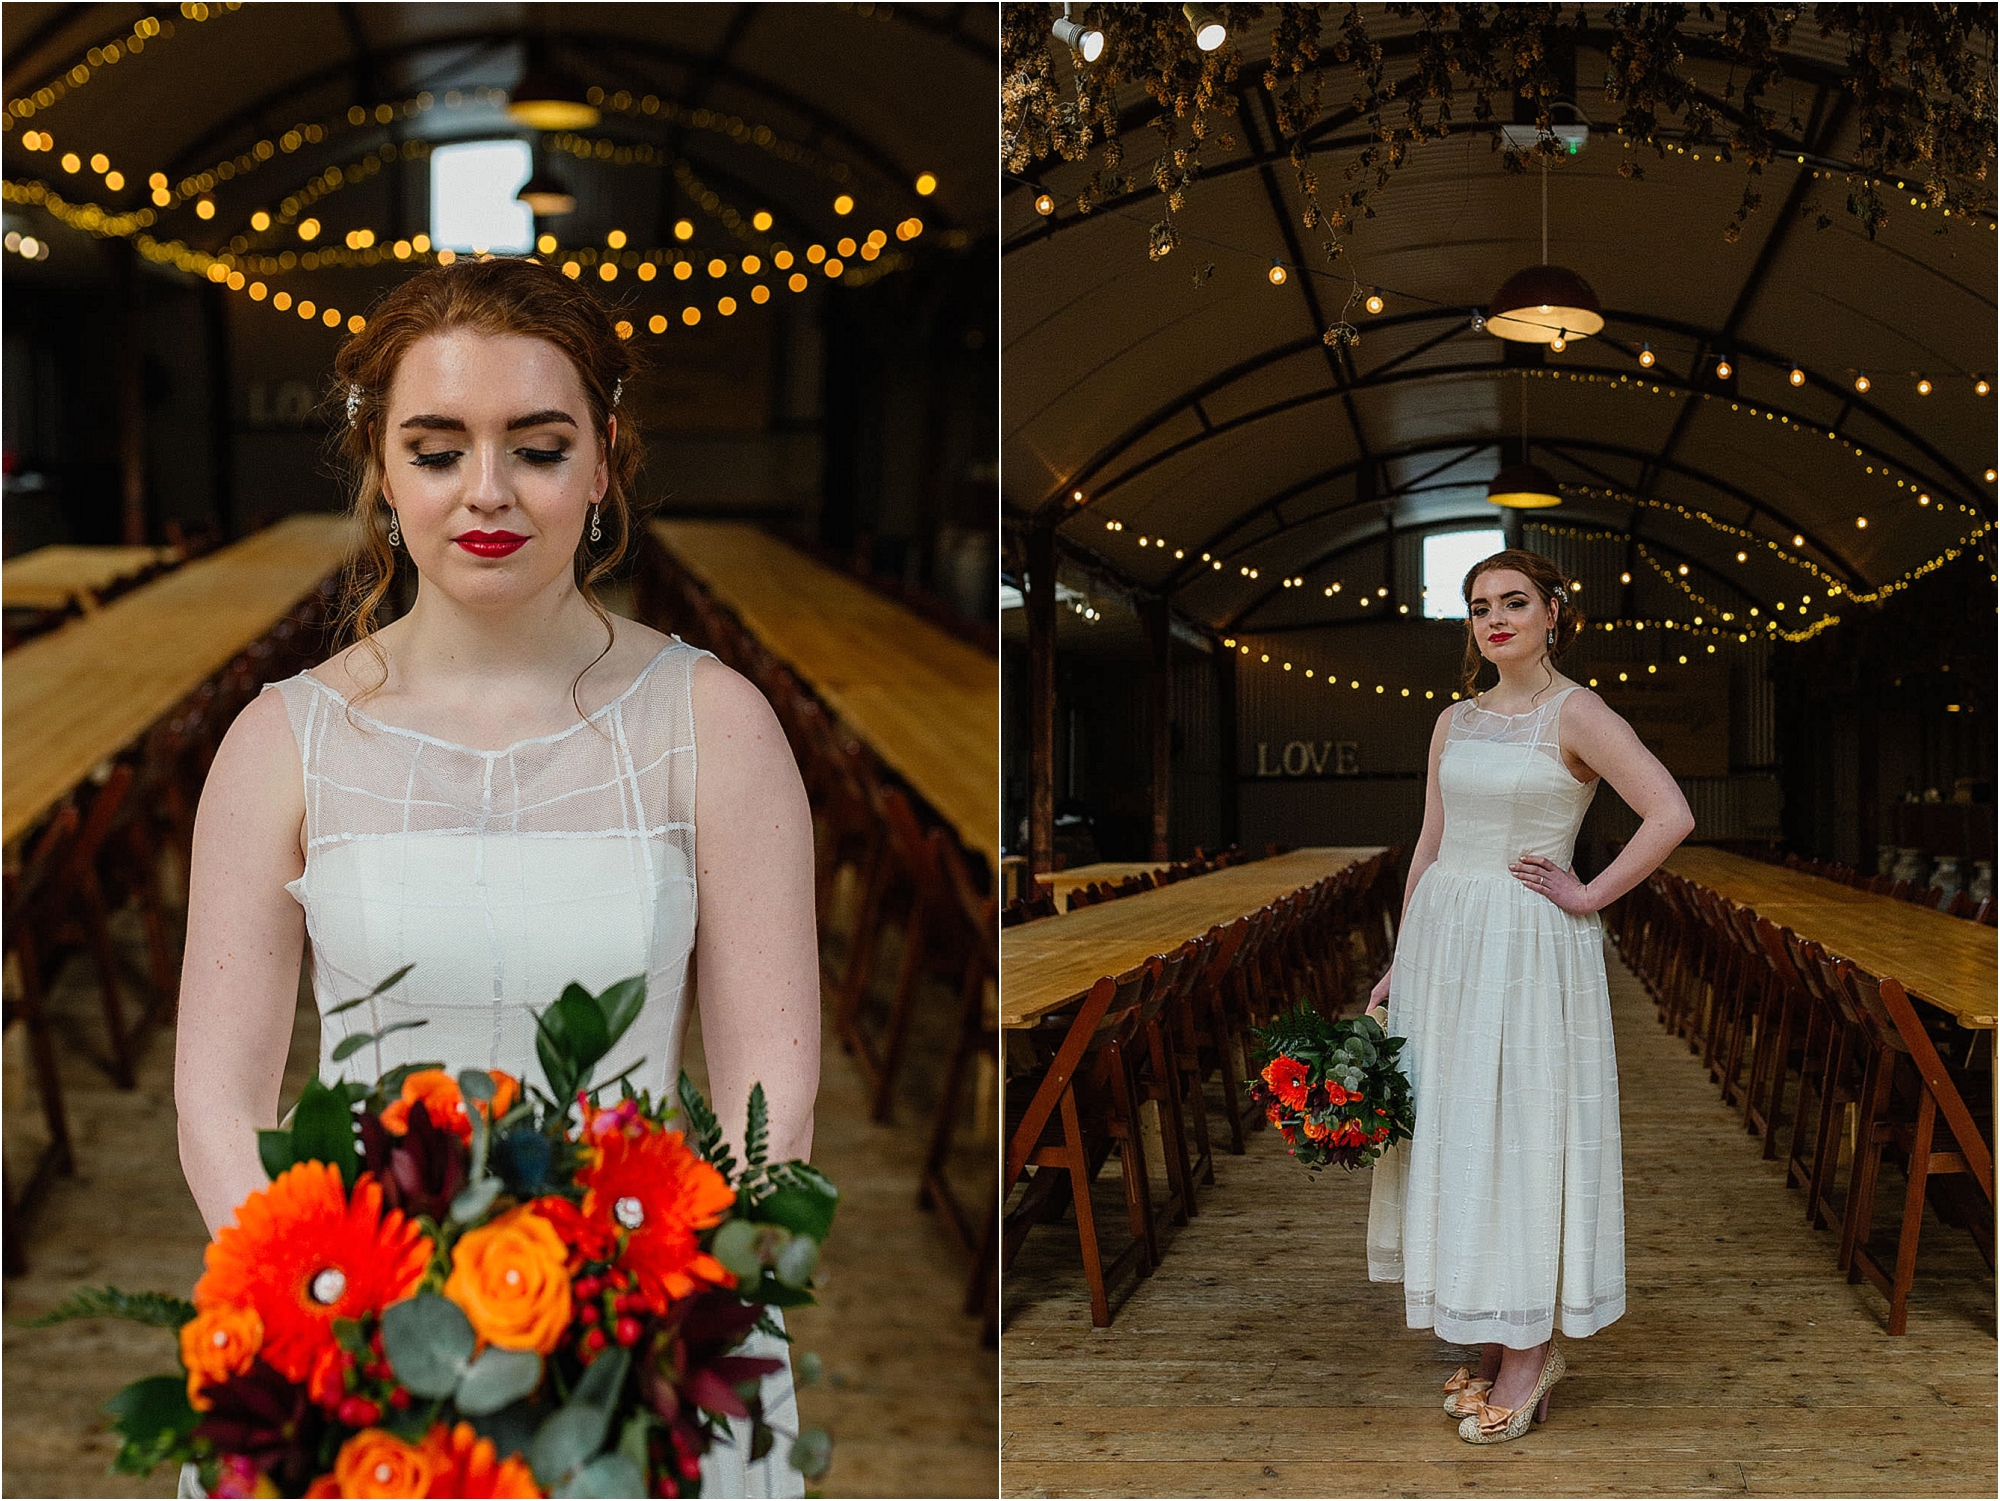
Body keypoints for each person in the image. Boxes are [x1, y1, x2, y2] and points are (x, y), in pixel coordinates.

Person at [174, 257, 820, 1497]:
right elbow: (219, 1098)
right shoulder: (280, 742)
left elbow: (767, 1099)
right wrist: (354, 1327)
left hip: (648, 1328)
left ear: (604, 455)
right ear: (379, 465)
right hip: (349, 1336)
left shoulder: (715, 724)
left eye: (535, 445)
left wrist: (626, 1334)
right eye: (435, 448)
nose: (488, 492)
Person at [1362, 548, 1694, 1444]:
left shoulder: (1576, 712)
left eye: (1514, 601)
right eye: (1479, 606)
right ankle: (1487, 1318)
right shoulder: (1451, 721)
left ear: (1555, 611)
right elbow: (1428, 843)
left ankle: (1530, 1351)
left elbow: (1670, 812)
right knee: (1458, 1127)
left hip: (1527, 943)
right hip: (1446, 942)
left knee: (1521, 1129)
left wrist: (1587, 891)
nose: (1495, 617)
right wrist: (1402, 956)